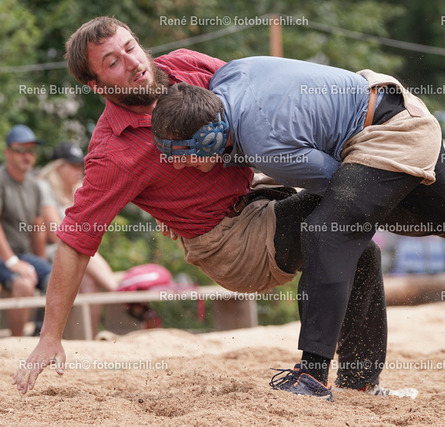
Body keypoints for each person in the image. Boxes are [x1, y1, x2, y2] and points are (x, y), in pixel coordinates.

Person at [150, 58, 445, 399]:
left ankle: (312, 374)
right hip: (391, 107)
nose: (186, 168)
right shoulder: (228, 78)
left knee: (328, 229)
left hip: (387, 135)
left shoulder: (263, 143)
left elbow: (341, 189)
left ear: (211, 136)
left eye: (189, 158)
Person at [12, 17, 408, 399]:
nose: (132, 62)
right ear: (95, 84)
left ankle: (360, 382)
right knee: (333, 226)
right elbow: (75, 241)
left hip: (260, 193)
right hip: (229, 243)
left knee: (361, 246)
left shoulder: (185, 64)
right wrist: (50, 336)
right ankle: (311, 376)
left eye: (130, 47)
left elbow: (255, 95)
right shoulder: (112, 154)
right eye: (113, 62)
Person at [38, 142, 119, 336]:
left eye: (80, 165)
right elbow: (55, 233)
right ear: (59, 167)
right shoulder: (44, 187)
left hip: (75, 246)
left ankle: (88, 337)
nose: (79, 170)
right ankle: (118, 289)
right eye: (73, 165)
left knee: (90, 281)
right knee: (84, 249)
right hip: (51, 252)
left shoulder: (78, 188)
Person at [0, 125, 52, 336]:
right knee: (24, 283)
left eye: (31, 150)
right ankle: (17, 342)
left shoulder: (34, 184)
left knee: (55, 278)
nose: (27, 156)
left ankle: (40, 333)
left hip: (22, 255)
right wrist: (12, 262)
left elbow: (38, 227)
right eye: (21, 150)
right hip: (4, 256)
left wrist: (39, 262)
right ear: (8, 152)